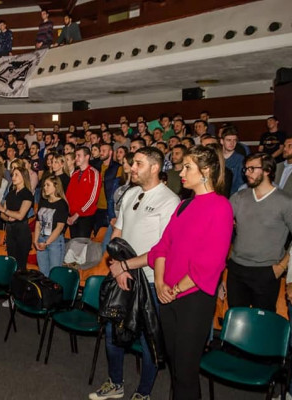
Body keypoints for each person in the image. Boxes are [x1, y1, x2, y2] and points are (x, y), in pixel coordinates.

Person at [114, 145, 233, 400]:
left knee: (186, 372)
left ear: (206, 171)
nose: (181, 171)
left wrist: (175, 288)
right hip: (168, 295)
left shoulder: (220, 207)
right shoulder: (184, 206)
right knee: (177, 368)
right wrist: (159, 283)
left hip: (193, 298)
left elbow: (210, 263)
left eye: (188, 167)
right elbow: (161, 248)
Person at [92, 148, 179, 400]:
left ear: (155, 167)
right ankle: (116, 383)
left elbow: (160, 252)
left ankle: (143, 393)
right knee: (113, 333)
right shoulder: (130, 194)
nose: (131, 167)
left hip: (150, 282)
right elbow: (116, 235)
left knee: (148, 339)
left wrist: (125, 266)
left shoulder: (169, 201)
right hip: (123, 276)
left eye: (138, 164)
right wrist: (117, 266)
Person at [226, 153, 292, 312]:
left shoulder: (285, 202)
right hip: (237, 269)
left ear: (267, 170)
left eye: (252, 169)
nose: (247, 173)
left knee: (262, 325)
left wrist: (282, 266)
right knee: (236, 321)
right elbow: (219, 223)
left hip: (266, 271)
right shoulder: (239, 197)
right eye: (245, 169)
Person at [0, 167, 33, 271]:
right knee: (11, 262)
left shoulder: (27, 194)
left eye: (16, 175)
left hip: (22, 231)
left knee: (20, 265)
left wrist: (4, 211)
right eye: (13, 175)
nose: (13, 177)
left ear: (23, 177)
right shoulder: (10, 193)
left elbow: (20, 215)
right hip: (10, 230)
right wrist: (8, 216)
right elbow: (2, 215)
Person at [34, 176, 69, 277]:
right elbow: (38, 223)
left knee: (55, 274)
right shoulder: (43, 201)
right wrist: (35, 240)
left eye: (48, 185)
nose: (45, 187)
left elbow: (59, 227)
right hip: (41, 239)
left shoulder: (62, 204)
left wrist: (47, 242)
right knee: (43, 273)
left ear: (56, 186)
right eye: (44, 185)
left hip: (55, 241)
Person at [66, 147, 102, 238]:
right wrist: (67, 213)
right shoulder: (75, 174)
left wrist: (78, 214)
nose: (76, 158)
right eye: (75, 156)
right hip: (71, 216)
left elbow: (93, 199)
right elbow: (68, 195)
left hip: (85, 216)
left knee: (82, 246)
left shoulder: (94, 173)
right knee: (73, 245)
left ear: (87, 157)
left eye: (79, 156)